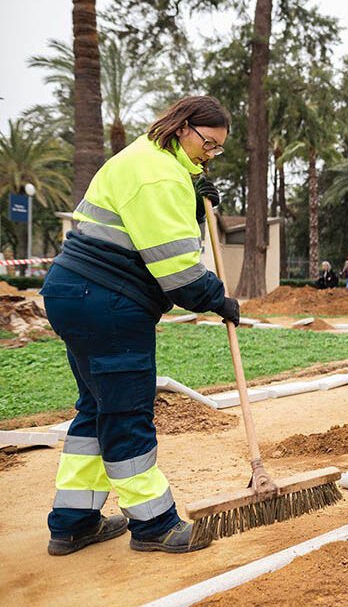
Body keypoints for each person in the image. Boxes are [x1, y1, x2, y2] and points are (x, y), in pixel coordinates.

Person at [40, 95, 238, 556]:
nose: (208, 156)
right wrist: (218, 299)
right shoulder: (160, 176)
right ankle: (154, 526)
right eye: (207, 144)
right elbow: (178, 273)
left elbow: (147, 231)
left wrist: (193, 199)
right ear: (184, 127)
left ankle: (73, 523)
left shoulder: (143, 157)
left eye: (216, 151)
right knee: (127, 413)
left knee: (96, 408)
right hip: (107, 300)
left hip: (74, 293)